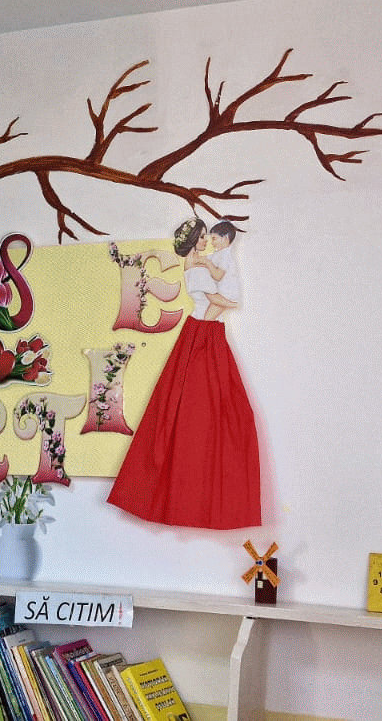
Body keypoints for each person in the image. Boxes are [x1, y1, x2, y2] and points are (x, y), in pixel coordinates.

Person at [107, 217, 260, 529]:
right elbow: (216, 299)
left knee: (191, 408)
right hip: (203, 333)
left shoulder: (199, 263)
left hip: (203, 331)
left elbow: (216, 291)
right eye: (202, 237)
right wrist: (232, 299)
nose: (206, 241)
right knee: (199, 410)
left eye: (207, 236)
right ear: (193, 241)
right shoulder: (195, 266)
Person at [196, 219, 245, 320]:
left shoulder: (225, 255)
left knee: (208, 318)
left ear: (225, 238)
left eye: (214, 238)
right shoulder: (219, 253)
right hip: (221, 292)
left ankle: (235, 306)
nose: (212, 242)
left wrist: (207, 263)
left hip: (226, 294)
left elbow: (218, 276)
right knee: (209, 317)